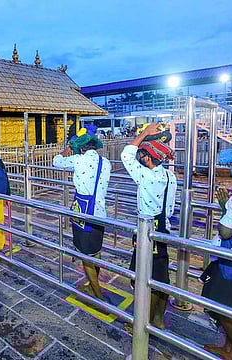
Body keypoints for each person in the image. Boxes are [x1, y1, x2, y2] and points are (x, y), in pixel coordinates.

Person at [200, 126, 232, 360]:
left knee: (225, 314)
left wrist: (224, 210)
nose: (231, 169)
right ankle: (229, 350)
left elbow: (226, 231)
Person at [120, 122, 177, 330]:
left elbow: (126, 155)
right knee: (161, 275)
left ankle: (143, 323)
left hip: (147, 229)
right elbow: (169, 208)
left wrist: (144, 133)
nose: (139, 158)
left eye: (142, 155)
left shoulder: (146, 176)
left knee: (144, 278)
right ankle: (159, 318)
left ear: (147, 157)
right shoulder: (170, 176)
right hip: (163, 228)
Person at [53, 124, 111, 301]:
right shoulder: (106, 162)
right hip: (100, 213)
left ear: (81, 147)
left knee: (85, 254)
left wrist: (69, 148)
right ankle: (91, 284)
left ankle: (97, 293)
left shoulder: (78, 160)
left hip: (83, 213)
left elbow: (56, 161)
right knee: (96, 251)